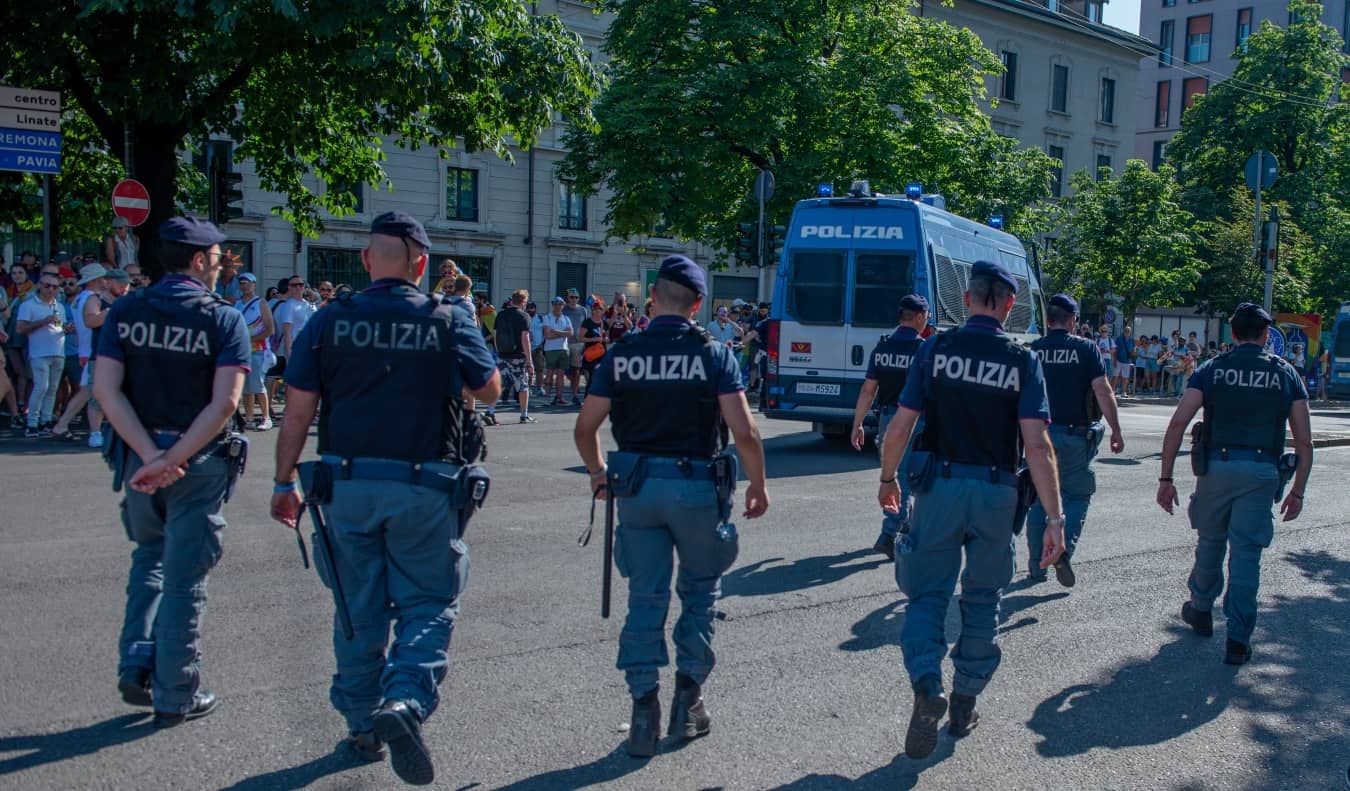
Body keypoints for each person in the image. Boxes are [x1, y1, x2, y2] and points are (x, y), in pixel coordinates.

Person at [270, 211, 500, 785]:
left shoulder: (329, 321)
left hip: (345, 485)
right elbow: (489, 387)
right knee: (427, 601)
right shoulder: (446, 318)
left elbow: (297, 411)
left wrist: (282, 483)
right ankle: (403, 700)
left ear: (368, 261)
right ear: (422, 266)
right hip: (424, 486)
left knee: (356, 608)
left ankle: (361, 722)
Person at [573, 254, 769, 758]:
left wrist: (598, 475)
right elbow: (744, 432)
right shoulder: (713, 353)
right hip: (696, 487)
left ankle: (643, 712)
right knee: (700, 593)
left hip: (636, 487)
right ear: (700, 305)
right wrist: (758, 485)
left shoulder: (623, 353)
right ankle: (688, 704)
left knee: (646, 596)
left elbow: (585, 427)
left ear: (653, 297)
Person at [875, 260, 1065, 759]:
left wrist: (887, 478)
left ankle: (925, 684)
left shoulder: (935, 349)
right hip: (997, 494)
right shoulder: (1022, 361)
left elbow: (900, 425)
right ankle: (963, 702)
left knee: (926, 596)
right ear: (1008, 304)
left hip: (937, 489)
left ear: (966, 299)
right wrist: (1055, 519)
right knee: (982, 600)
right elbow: (1038, 446)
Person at [93, 215, 251, 727]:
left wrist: (148, 455)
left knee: (149, 560)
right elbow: (225, 402)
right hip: (197, 463)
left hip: (139, 459)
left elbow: (105, 390)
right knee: (185, 581)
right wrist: (174, 458)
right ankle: (176, 690)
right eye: (216, 257)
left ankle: (137, 658)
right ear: (201, 260)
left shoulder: (127, 309)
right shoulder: (222, 318)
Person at [1156, 303, 1312, 666]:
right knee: (1246, 555)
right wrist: (1298, 490)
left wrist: (1166, 478)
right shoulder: (1285, 373)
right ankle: (1238, 639)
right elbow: (1304, 442)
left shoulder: (1213, 369)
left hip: (1216, 468)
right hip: (1261, 472)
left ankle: (1200, 609)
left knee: (1210, 541)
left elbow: (1179, 422)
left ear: (1234, 333)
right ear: (1265, 334)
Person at [1023, 294, 1125, 587]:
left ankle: (1036, 566)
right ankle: (1063, 549)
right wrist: (1116, 431)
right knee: (1077, 495)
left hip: (1037, 434)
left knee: (1039, 500)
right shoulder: (1086, 349)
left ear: (1049, 320)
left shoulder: (1035, 349)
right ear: (1072, 320)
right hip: (1074, 436)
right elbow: (1103, 391)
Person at [850, 294, 929, 561]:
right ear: (918, 317)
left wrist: (858, 423)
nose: (926, 321)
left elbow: (867, 391)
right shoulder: (924, 349)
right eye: (926, 316)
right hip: (914, 419)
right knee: (903, 476)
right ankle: (888, 534)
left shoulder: (882, 348)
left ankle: (903, 524)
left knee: (894, 472)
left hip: (886, 419)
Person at [51, 264, 114, 445]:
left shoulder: (79, 298)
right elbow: (92, 322)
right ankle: (64, 425)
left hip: (85, 349)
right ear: (95, 280)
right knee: (88, 391)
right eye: (103, 278)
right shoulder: (93, 298)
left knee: (87, 390)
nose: (106, 281)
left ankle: (63, 425)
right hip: (92, 350)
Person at [16, 271, 72, 437]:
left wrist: (67, 329)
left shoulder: (59, 306)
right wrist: (43, 321)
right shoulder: (28, 305)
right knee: (41, 387)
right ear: (39, 285)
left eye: (55, 287)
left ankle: (45, 421)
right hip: (39, 352)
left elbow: (58, 326)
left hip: (58, 351)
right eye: (47, 285)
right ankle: (32, 422)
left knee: (53, 388)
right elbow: (20, 329)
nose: (51, 289)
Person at [235, 273, 276, 430]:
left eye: (247, 283)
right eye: (242, 283)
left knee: (257, 384)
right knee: (245, 387)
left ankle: (266, 417)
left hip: (259, 349)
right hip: (242, 351)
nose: (244, 286)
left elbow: (270, 329)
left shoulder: (261, 303)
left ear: (254, 285)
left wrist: (250, 339)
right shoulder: (237, 304)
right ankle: (250, 417)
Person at [493, 289, 536, 423]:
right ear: (523, 302)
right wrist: (529, 361)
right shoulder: (524, 316)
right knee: (523, 385)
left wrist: (498, 351)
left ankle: (490, 411)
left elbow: (495, 335)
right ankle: (524, 415)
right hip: (518, 355)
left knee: (499, 384)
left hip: (502, 354)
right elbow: (525, 338)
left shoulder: (500, 315)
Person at [541, 296, 573, 405]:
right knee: (549, 374)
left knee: (561, 375)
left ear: (563, 306)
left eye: (560, 304)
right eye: (556, 304)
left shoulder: (566, 318)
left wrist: (555, 331)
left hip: (563, 349)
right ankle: (547, 397)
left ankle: (559, 397)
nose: (558, 306)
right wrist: (562, 333)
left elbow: (570, 333)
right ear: (552, 305)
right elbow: (547, 335)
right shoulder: (547, 318)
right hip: (551, 349)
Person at [561, 289, 588, 405]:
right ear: (568, 298)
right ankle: (559, 396)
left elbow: (585, 325)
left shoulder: (583, 310)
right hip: (565, 343)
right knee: (563, 370)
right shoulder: (563, 309)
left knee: (576, 370)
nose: (574, 299)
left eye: (576, 297)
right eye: (571, 297)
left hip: (578, 343)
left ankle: (575, 395)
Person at [1113, 325, 1135, 397]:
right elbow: (1115, 350)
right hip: (1119, 360)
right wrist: (1115, 360)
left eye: (1128, 331)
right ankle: (1113, 391)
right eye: (1126, 330)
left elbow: (1132, 351)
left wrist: (1134, 353)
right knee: (1115, 376)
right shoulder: (1119, 339)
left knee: (1125, 377)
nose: (1127, 332)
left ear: (1130, 332)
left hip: (1127, 361)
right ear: (1123, 331)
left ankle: (1124, 392)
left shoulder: (1132, 340)